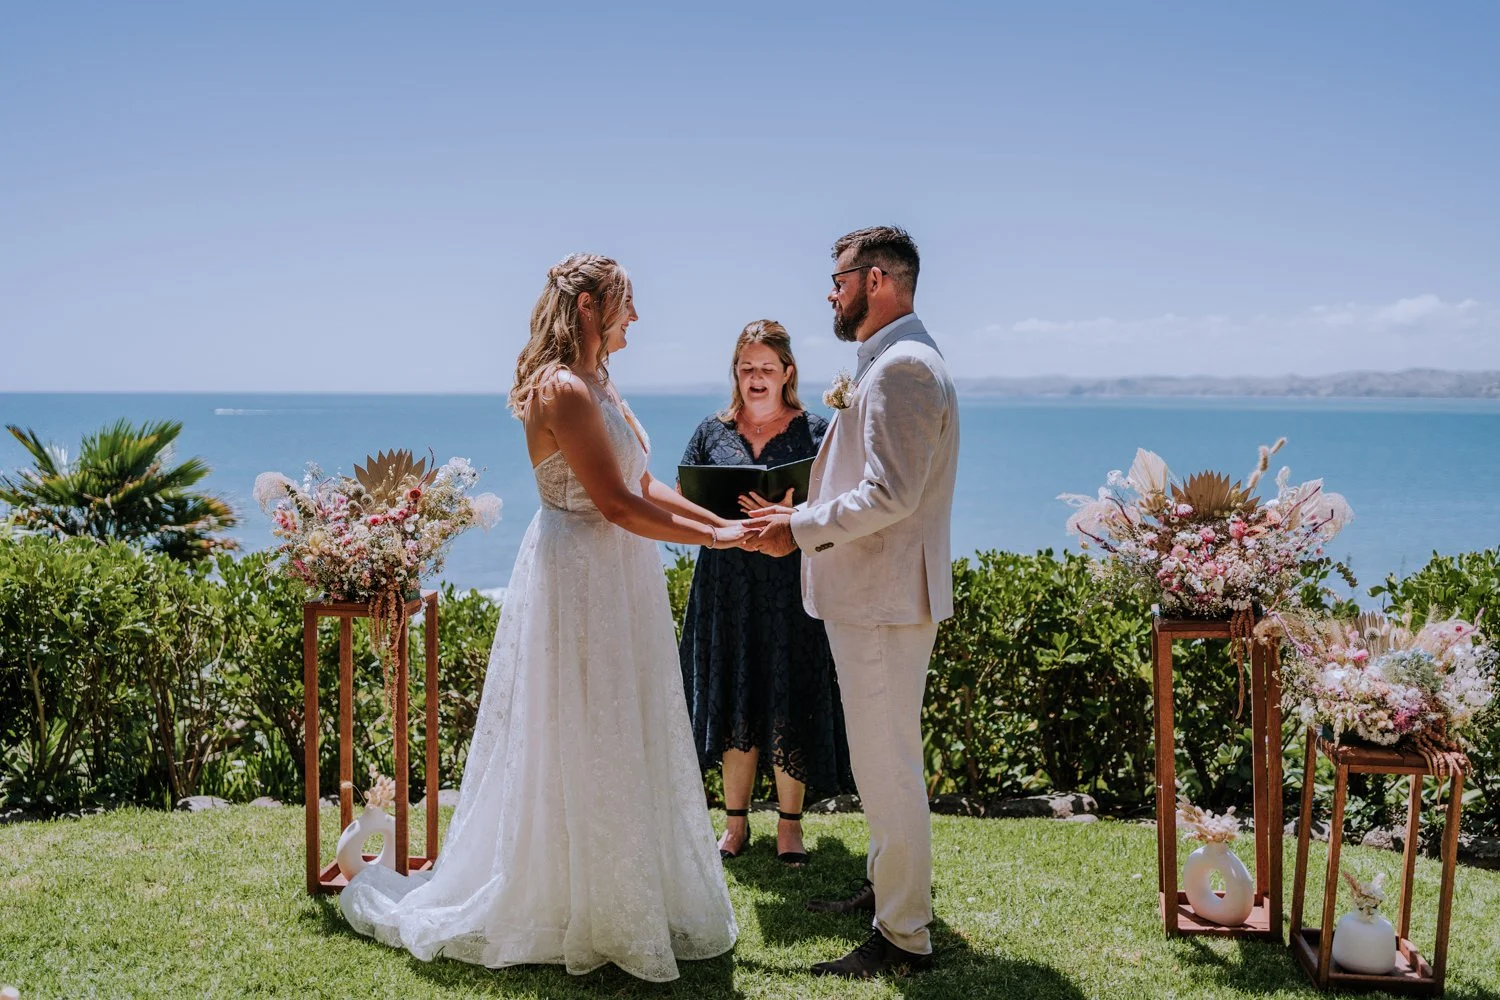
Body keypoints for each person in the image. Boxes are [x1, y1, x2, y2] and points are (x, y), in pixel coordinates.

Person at [341, 253, 746, 983]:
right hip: (580, 578)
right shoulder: (559, 389)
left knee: (623, 728)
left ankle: (625, 893)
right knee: (579, 732)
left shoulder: (599, 383)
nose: (636, 319)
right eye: (626, 303)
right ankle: (571, 905)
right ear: (589, 305)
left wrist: (722, 521)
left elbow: (644, 482)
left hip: (619, 573)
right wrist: (714, 540)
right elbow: (618, 505)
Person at [746, 226, 959, 979]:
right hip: (881, 596)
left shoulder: (903, 368)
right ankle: (887, 894)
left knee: (888, 768)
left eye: (837, 278)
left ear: (877, 281)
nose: (830, 293)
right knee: (883, 763)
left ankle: (903, 936)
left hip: (883, 601)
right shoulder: (895, 361)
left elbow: (892, 494)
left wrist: (796, 527)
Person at [677, 320, 854, 867]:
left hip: (790, 585)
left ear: (788, 373)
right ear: (736, 372)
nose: (756, 379)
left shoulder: (818, 430)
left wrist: (793, 510)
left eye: (767, 369)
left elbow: (840, 501)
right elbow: (683, 493)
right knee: (734, 698)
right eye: (747, 368)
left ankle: (790, 827)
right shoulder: (711, 431)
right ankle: (734, 826)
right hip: (725, 585)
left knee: (788, 697)